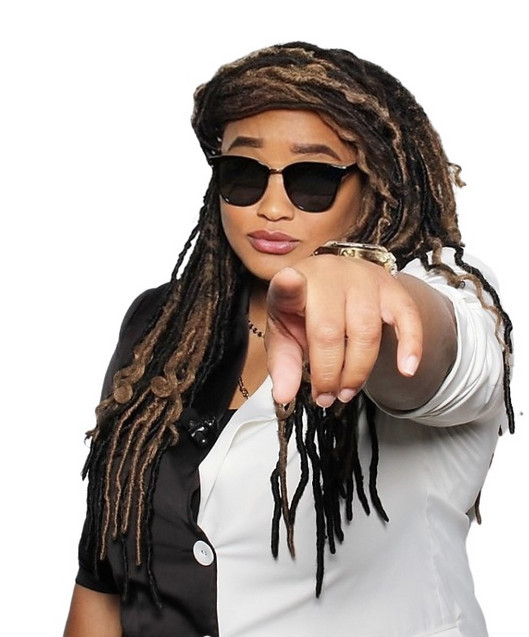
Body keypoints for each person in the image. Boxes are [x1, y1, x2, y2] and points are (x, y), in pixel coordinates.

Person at [63, 41, 514, 637]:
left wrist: (370, 290)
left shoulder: (448, 297)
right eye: (244, 174)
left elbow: (445, 362)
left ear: (376, 184)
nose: (272, 206)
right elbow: (104, 579)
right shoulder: (163, 326)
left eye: (313, 179)